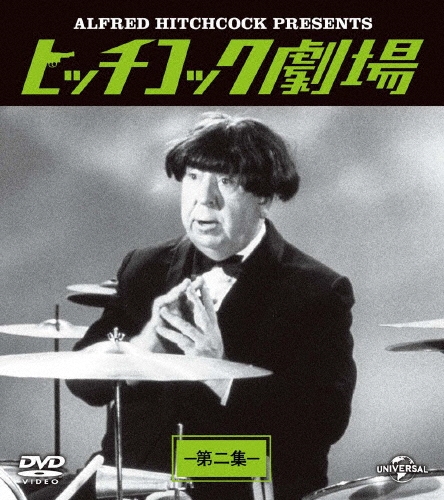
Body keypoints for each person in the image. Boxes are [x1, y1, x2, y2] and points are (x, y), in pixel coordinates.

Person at [65, 112, 356, 500]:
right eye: (193, 176)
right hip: (130, 484)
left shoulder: (317, 291)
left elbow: (324, 422)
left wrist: (218, 371)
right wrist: (141, 348)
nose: (204, 198)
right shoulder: (144, 266)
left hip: (240, 487)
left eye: (227, 181)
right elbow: (83, 383)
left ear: (264, 198)